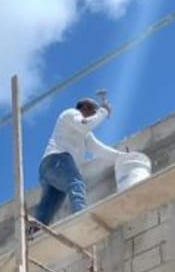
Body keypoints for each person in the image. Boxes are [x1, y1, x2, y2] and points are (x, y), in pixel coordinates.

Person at [32, 90, 118, 230]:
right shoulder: (72, 114)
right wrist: (103, 111)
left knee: (49, 207)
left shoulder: (85, 134)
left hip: (50, 170)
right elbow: (85, 124)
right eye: (93, 112)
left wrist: (121, 157)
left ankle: (33, 234)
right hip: (57, 160)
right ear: (85, 108)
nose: (94, 116)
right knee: (76, 182)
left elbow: (99, 149)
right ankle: (81, 216)